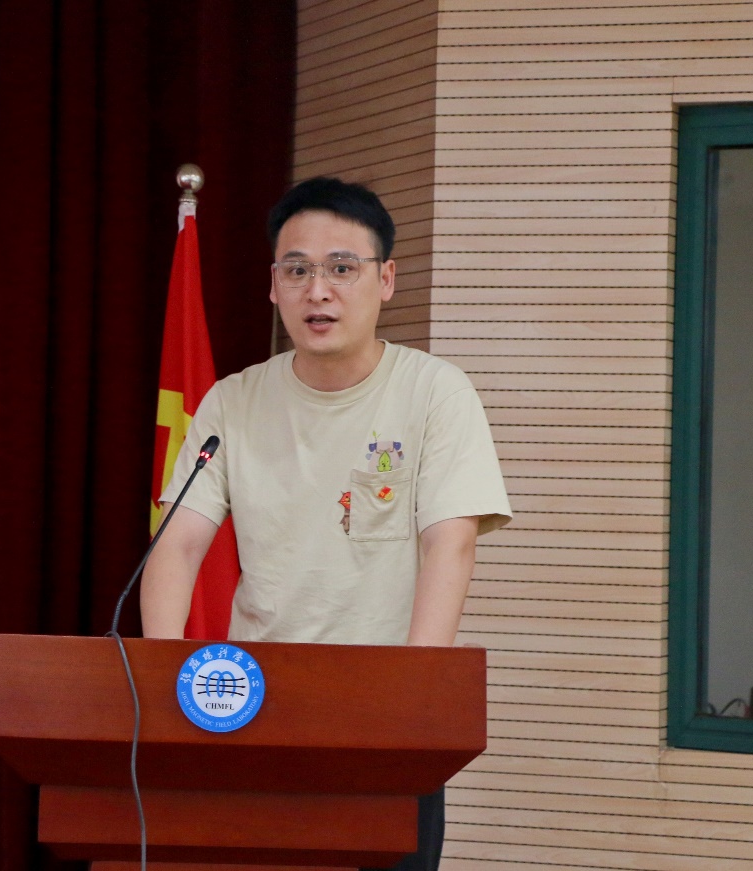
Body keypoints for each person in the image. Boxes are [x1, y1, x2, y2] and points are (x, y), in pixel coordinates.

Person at [140, 176, 512, 871]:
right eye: (298, 270)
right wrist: (165, 679)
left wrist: (414, 696)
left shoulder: (435, 392)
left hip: (385, 713)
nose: (319, 291)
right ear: (273, 285)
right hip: (251, 706)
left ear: (385, 279)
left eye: (342, 268)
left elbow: (450, 543)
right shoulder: (231, 402)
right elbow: (178, 543)